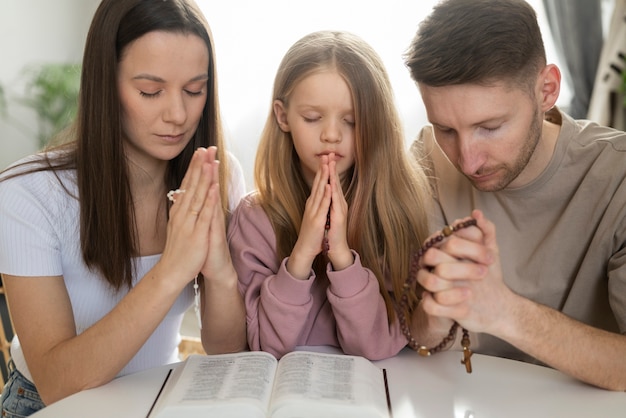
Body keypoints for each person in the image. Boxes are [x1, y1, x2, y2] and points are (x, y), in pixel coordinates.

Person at [0, 0, 247, 413]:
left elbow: (226, 349)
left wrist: (221, 273)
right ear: (105, 82)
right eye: (150, 91)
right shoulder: (28, 194)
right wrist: (172, 270)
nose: (178, 114)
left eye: (194, 89)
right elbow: (59, 383)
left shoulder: (215, 176)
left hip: (158, 396)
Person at [404, 0, 626, 390]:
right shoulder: (426, 157)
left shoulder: (617, 177)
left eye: (490, 126)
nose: (467, 161)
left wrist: (504, 312)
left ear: (547, 90)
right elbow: (417, 338)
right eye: (446, 129)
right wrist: (436, 313)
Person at [228, 30, 436, 360]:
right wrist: (301, 256)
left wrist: (341, 256)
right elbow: (264, 349)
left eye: (351, 121)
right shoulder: (255, 218)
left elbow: (374, 346)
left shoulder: (393, 210)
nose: (331, 135)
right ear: (283, 117)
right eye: (312, 118)